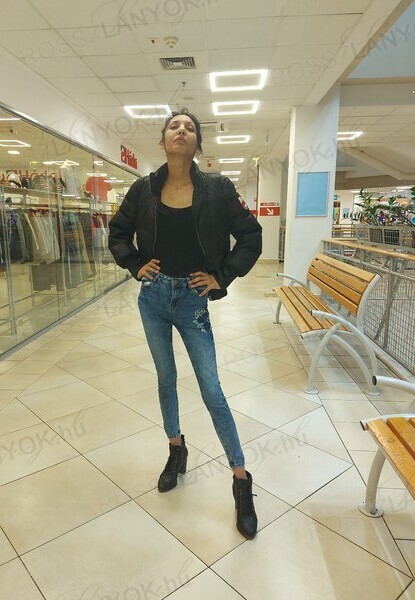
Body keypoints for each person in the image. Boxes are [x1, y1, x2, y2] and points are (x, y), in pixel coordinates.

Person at [108, 109, 262, 539]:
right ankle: (176, 449)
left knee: (211, 389)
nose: (181, 130)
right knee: (166, 378)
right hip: (154, 299)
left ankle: (241, 478)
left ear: (197, 144)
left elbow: (251, 236)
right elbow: (117, 233)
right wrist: (135, 265)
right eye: (174, 126)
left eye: (190, 128)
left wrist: (221, 276)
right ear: (163, 141)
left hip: (193, 301)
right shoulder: (143, 189)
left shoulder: (217, 189)